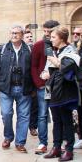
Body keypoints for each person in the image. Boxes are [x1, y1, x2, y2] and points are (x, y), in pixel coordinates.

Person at [0, 25, 32, 153]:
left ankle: (20, 142)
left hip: (24, 88)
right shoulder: (2, 49)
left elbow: (33, 69)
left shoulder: (29, 49)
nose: (14, 35)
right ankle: (8, 137)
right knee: (6, 114)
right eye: (12, 33)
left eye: (17, 33)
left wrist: (34, 87)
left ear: (22, 35)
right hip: (6, 88)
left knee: (24, 116)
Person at [42, 27, 81, 161]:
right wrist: (45, 73)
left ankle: (69, 150)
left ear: (62, 39)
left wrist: (56, 62)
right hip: (53, 89)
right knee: (56, 120)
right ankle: (56, 147)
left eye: (53, 37)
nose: (51, 39)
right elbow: (49, 69)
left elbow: (67, 68)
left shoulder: (71, 51)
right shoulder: (55, 51)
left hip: (65, 91)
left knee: (66, 120)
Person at [30, 20, 60, 153]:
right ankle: (43, 143)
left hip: (59, 85)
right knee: (42, 114)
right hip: (44, 86)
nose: (47, 34)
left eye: (50, 31)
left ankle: (59, 143)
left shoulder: (62, 45)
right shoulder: (38, 45)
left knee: (59, 115)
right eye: (45, 31)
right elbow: (33, 66)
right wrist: (39, 83)